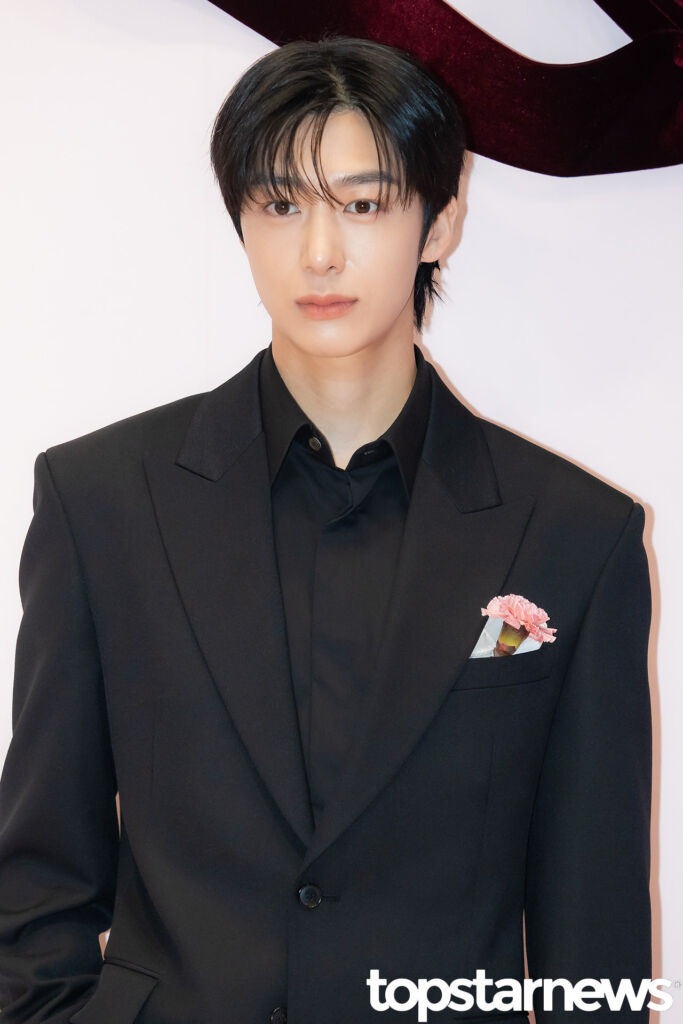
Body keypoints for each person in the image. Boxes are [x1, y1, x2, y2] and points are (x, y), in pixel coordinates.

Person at [0, 34, 652, 1024]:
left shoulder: (574, 534)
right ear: (241, 224)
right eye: (279, 205)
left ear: (438, 223)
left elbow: (592, 936)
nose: (318, 252)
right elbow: (38, 878)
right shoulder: (102, 502)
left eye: (362, 204)